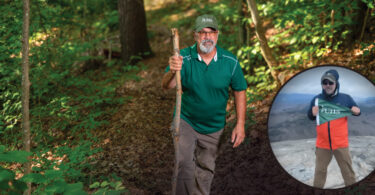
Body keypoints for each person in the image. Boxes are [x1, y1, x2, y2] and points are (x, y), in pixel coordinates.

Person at [161, 14, 247, 195]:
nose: (207, 37)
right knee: (184, 164)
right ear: (195, 35)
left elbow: (240, 90)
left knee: (206, 170)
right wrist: (173, 70)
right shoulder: (183, 57)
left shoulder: (230, 61)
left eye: (211, 32)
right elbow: (166, 86)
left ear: (217, 35)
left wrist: (240, 124)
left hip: (215, 126)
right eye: (202, 32)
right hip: (187, 121)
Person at [307, 69, 361, 188]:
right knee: (319, 171)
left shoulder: (346, 98)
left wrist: (357, 111)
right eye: (325, 83)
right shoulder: (316, 99)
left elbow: (357, 110)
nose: (328, 85)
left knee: (348, 172)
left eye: (330, 83)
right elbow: (310, 116)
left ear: (336, 83)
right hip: (322, 144)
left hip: (341, 143)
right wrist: (312, 113)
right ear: (322, 85)